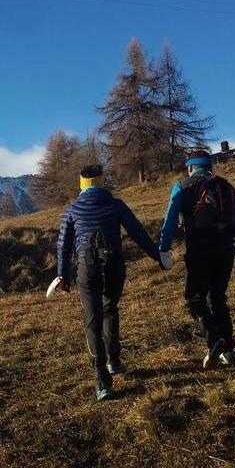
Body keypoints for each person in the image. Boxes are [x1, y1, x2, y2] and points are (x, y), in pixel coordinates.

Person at [56, 164, 163, 401]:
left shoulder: (72, 210)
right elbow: (138, 233)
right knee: (110, 310)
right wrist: (157, 256)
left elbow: (63, 245)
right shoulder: (116, 205)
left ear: (82, 184)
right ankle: (114, 360)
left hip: (86, 268)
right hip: (114, 264)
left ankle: (102, 382)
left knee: (92, 320)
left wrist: (62, 274)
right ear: (102, 182)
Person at [159, 150, 235, 368]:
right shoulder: (227, 186)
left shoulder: (182, 186)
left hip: (199, 251)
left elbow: (169, 220)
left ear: (190, 167)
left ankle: (215, 341)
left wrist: (163, 249)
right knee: (218, 297)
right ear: (210, 166)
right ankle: (229, 350)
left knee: (195, 299)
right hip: (225, 251)